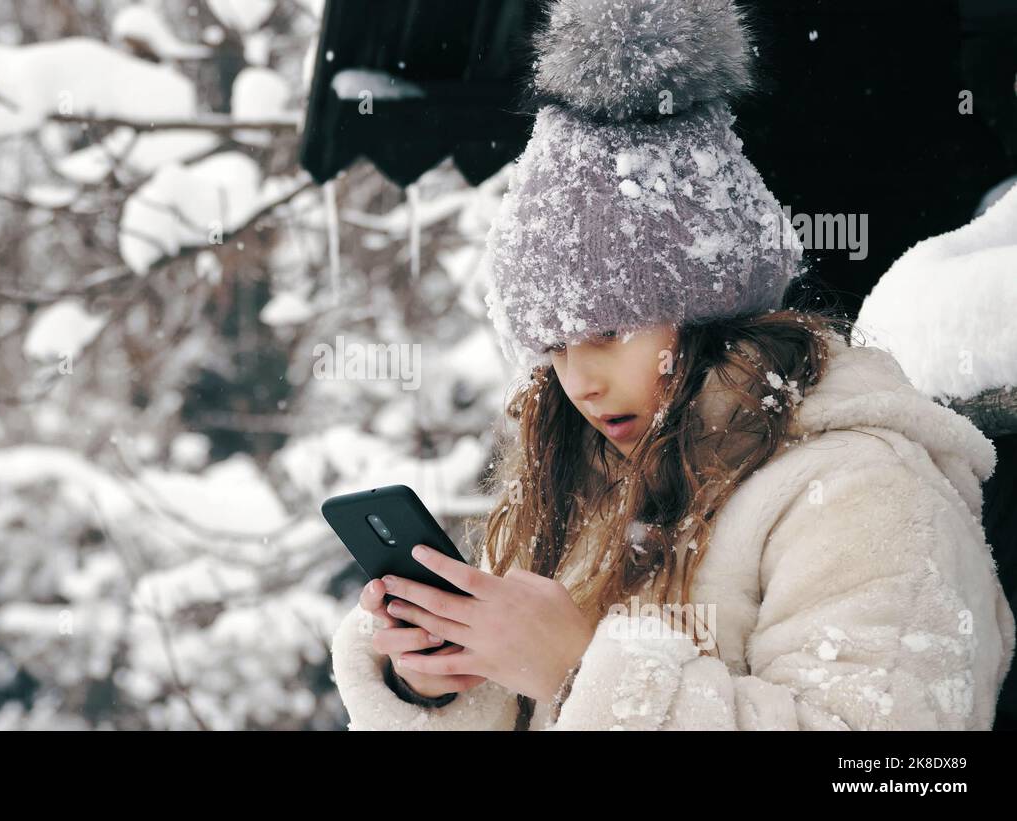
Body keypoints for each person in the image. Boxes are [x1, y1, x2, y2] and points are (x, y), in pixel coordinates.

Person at [328, 0, 1016, 730]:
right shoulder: (588, 490)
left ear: (709, 305)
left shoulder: (866, 490)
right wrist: (449, 683)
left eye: (611, 329)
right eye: (555, 346)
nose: (581, 379)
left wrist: (581, 669)